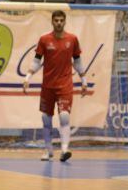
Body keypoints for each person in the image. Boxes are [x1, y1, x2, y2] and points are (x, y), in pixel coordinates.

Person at [23, 10, 88, 162]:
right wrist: (27, 77)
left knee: (64, 116)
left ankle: (65, 150)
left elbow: (77, 61)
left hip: (65, 85)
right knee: (46, 119)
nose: (59, 23)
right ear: (52, 22)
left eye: (61, 20)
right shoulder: (44, 40)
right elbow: (37, 60)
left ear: (65, 22)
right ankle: (48, 150)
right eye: (56, 20)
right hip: (47, 86)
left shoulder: (72, 39)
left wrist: (84, 79)